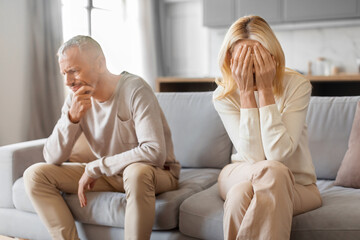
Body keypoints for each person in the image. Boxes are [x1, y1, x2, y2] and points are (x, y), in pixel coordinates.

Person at [24, 35, 180, 240]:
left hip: (157, 173)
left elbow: (154, 152)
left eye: (74, 71)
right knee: (35, 175)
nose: (68, 81)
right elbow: (51, 157)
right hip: (111, 175)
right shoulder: (75, 98)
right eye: (64, 73)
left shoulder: (135, 89)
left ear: (100, 63)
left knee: (136, 172)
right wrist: (72, 118)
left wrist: (95, 166)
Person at [213, 15, 322, 240]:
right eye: (243, 58)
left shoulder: (297, 85)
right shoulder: (223, 96)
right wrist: (245, 94)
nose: (251, 67)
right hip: (241, 172)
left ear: (272, 57)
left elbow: (277, 155)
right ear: (230, 59)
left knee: (242, 195)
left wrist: (265, 90)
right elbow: (253, 157)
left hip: (297, 185)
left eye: (258, 57)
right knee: (266, 174)